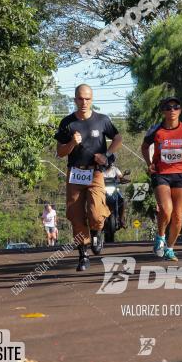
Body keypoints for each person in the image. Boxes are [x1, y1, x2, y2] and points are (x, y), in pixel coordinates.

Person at [55, 83, 122, 271]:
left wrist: (106, 155)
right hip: (75, 173)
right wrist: (71, 143)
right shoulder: (67, 123)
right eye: (80, 98)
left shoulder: (102, 120)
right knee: (76, 216)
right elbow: (60, 152)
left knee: (95, 213)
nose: (84, 102)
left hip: (95, 173)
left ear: (92, 99)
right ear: (75, 99)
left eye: (87, 98)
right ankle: (83, 255)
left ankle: (97, 231)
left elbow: (118, 138)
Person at [140, 96, 182, 261]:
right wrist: (149, 163)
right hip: (161, 173)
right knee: (166, 209)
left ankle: (170, 248)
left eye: (175, 107)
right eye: (168, 107)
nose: (172, 110)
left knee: (178, 216)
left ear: (180, 110)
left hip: (181, 174)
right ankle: (160, 237)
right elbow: (144, 147)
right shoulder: (156, 130)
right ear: (163, 111)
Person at [102, 162, 128, 228]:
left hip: (114, 190)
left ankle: (121, 219)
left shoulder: (115, 169)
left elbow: (120, 177)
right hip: (102, 190)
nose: (108, 163)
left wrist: (123, 179)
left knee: (122, 199)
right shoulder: (100, 169)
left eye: (110, 161)